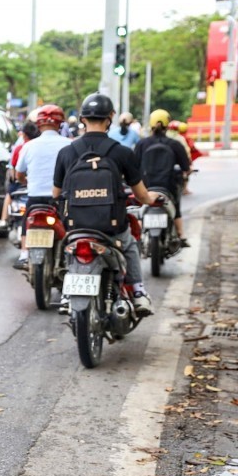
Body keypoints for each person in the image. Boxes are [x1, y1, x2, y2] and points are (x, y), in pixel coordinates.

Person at [52, 93, 160, 317]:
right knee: (129, 243)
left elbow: (57, 193)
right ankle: (138, 291)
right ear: (110, 117)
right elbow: (141, 195)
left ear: (82, 118)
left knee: (68, 245)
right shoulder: (122, 152)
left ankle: (66, 293)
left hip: (77, 226)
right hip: (112, 228)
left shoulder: (66, 152)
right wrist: (151, 199)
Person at [11, 105, 71, 270]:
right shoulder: (69, 144)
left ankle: (24, 254)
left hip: (35, 198)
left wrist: (26, 182)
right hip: (60, 199)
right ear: (60, 124)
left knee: (27, 219)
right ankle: (68, 254)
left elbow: (19, 175)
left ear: (39, 124)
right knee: (68, 224)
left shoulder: (28, 146)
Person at [133, 108, 191, 247]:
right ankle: (181, 235)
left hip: (146, 186)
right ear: (167, 124)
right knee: (176, 208)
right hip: (168, 186)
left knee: (140, 208)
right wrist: (186, 172)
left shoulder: (142, 144)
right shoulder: (175, 144)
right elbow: (185, 167)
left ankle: (138, 234)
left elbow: (133, 166)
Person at [0, 120, 41, 232]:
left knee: (9, 194)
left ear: (24, 135)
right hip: (39, 185)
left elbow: (14, 172)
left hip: (21, 183)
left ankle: (3, 220)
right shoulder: (41, 148)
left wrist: (22, 180)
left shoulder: (21, 148)